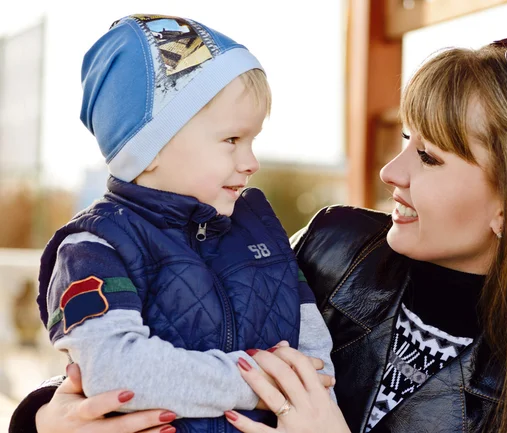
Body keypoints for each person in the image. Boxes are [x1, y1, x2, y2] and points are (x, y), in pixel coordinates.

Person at [10, 35, 507, 433]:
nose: (390, 173)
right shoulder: (334, 245)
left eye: (431, 158)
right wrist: (44, 420)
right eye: (403, 142)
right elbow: (157, 342)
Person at [11, 13, 335, 433]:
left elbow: (318, 365)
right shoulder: (96, 247)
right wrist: (257, 383)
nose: (251, 162)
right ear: (152, 146)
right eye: (232, 140)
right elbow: (117, 371)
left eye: (254, 140)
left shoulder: (261, 233)